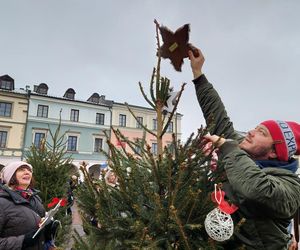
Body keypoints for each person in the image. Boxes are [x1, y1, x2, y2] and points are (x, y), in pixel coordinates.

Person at [188, 48, 300, 249]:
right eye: (256, 127)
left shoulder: (291, 186)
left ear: (275, 152)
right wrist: (198, 74)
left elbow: (256, 191)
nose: (250, 132)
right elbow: (218, 117)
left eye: (262, 133)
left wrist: (227, 148)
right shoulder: (241, 151)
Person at [0, 161, 46, 250]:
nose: (27, 172)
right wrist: (23, 241)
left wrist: (47, 230)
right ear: (11, 176)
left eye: (29, 170)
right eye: (21, 170)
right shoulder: (2, 202)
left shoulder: (35, 198)